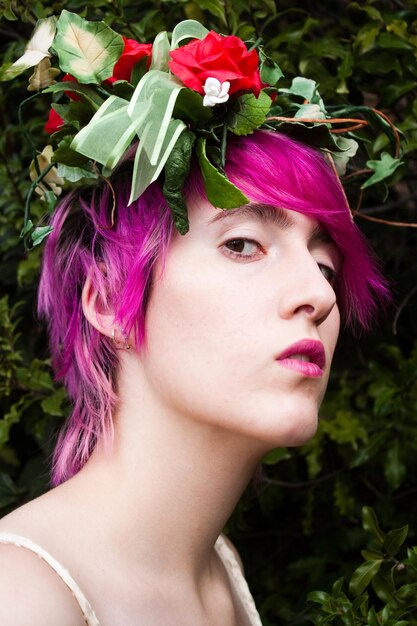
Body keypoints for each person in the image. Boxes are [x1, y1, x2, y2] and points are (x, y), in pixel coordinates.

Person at [0, 16, 389, 626]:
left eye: (325, 264)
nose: (317, 292)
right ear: (105, 298)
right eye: (243, 245)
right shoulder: (23, 600)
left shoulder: (218, 570)